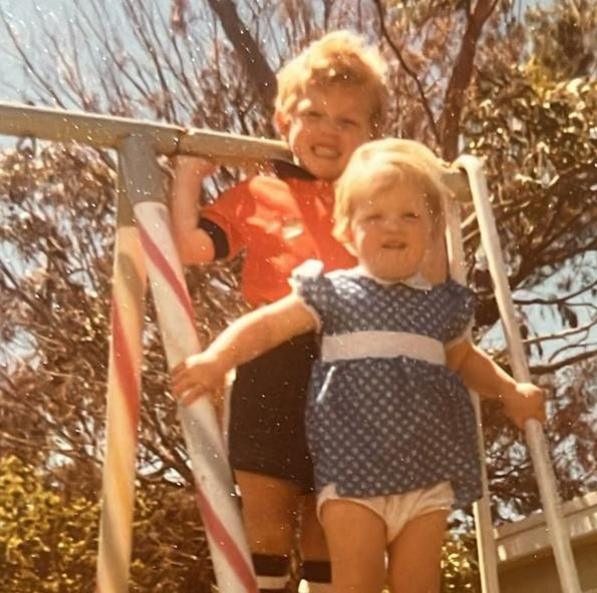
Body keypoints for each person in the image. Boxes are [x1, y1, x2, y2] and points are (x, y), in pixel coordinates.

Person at [171, 139, 546, 593]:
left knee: (419, 584)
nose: (393, 226)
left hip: (425, 476)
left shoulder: (439, 306)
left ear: (431, 230)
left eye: (410, 215)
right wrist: (217, 359)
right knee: (356, 581)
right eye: (374, 216)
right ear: (346, 232)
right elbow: (267, 327)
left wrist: (509, 391)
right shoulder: (334, 293)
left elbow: (463, 357)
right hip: (352, 476)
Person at [169, 30, 388, 593]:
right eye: (314, 114)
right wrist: (190, 177)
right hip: (271, 363)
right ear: (282, 120)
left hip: (350, 371)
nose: (329, 132)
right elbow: (192, 247)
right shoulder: (258, 193)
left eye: (348, 121)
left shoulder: (373, 201)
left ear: (370, 134)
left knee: (329, 523)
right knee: (265, 514)